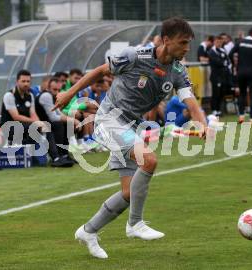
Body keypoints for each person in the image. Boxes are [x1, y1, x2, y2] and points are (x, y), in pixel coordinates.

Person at [53, 17, 208, 259]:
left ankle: (88, 231)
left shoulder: (178, 71)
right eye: (183, 43)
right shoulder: (136, 56)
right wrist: (69, 94)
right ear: (166, 40)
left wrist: (204, 124)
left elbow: (191, 102)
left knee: (129, 193)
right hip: (108, 120)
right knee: (150, 160)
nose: (187, 48)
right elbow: (99, 71)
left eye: (189, 43)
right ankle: (135, 224)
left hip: (131, 127)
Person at [35, 77, 79, 167]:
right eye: (55, 89)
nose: (57, 92)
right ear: (48, 88)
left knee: (66, 124)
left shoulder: (53, 96)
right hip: (39, 123)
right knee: (58, 124)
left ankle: (65, 155)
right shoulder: (46, 95)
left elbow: (59, 113)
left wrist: (72, 121)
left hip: (47, 123)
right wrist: (74, 120)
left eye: (59, 90)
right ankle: (57, 157)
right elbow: (53, 117)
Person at [229, 28, 252, 124]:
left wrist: (234, 64)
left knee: (242, 94)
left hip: (241, 72)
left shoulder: (240, 42)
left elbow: (230, 53)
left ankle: (241, 116)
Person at [208, 34, 231, 116]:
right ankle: (214, 110)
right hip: (215, 76)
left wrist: (224, 62)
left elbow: (228, 61)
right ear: (214, 42)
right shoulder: (211, 51)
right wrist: (223, 62)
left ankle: (218, 109)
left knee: (222, 93)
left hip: (223, 76)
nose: (219, 44)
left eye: (220, 42)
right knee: (215, 93)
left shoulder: (222, 50)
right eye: (217, 42)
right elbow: (217, 62)